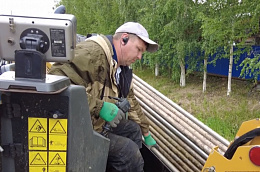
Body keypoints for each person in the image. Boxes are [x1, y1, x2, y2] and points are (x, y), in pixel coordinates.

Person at [49, 22, 158, 172]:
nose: (139, 57)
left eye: (142, 53)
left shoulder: (121, 70)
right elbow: (55, 82)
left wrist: (145, 131)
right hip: (76, 129)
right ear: (124, 39)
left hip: (95, 124)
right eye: (138, 50)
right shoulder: (92, 53)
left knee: (133, 130)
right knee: (129, 153)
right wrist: (99, 106)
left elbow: (131, 101)